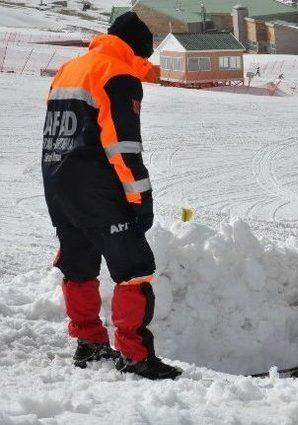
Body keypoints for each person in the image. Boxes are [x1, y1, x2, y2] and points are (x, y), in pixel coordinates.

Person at [42, 12, 181, 380]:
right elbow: (122, 147)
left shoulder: (70, 69)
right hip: (96, 186)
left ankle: (89, 343)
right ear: (137, 48)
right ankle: (135, 356)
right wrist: (140, 198)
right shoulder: (117, 75)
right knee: (135, 269)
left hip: (56, 180)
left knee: (78, 262)